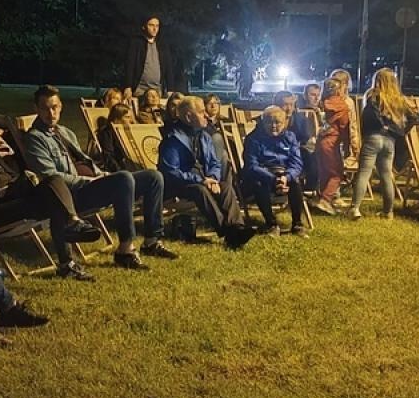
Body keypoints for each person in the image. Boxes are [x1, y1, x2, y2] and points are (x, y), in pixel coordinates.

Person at [24, 85, 176, 278]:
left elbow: (83, 160)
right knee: (123, 178)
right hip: (71, 196)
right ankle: (125, 249)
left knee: (153, 177)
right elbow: (51, 176)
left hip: (91, 181)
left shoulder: (65, 132)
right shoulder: (35, 138)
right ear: (36, 109)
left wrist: (100, 173)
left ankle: (152, 241)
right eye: (45, 108)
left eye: (54, 107)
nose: (51, 113)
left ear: (61, 106)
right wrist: (91, 180)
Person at [0, 112, 101, 243]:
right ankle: (71, 230)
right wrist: (10, 181)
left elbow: (11, 173)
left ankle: (72, 228)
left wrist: (9, 182)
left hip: (12, 198)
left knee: (54, 183)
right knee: (52, 196)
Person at [157, 98, 254, 247]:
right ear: (189, 117)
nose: (207, 115)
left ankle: (237, 226)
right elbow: (170, 172)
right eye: (202, 112)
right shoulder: (172, 140)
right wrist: (202, 180)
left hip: (204, 180)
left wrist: (213, 178)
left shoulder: (203, 135)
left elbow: (214, 162)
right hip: (179, 185)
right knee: (200, 189)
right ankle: (228, 232)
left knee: (225, 187)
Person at [350, 68, 415, 220]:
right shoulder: (399, 98)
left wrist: (381, 126)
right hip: (390, 140)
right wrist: (401, 131)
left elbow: (369, 115)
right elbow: (414, 117)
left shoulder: (373, 95)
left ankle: (355, 208)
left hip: (374, 137)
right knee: (386, 174)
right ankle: (388, 211)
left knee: (364, 172)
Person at [241, 106, 308, 235]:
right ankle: (271, 224)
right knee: (259, 184)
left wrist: (286, 178)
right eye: (269, 122)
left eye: (278, 122)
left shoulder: (290, 137)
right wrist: (273, 179)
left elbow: (297, 162)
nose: (273, 126)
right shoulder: (253, 139)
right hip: (262, 175)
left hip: (284, 175)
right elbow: (252, 165)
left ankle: (297, 224)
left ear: (284, 123)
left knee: (295, 182)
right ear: (263, 122)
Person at [312, 72, 356, 215]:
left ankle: (322, 198)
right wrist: (349, 145)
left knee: (325, 171)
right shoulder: (341, 106)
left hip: (320, 141)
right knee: (337, 173)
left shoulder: (321, 103)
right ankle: (325, 199)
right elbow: (344, 128)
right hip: (332, 142)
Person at [125, 15, 169, 98]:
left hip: (157, 90)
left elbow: (168, 67)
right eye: (151, 25)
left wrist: (170, 89)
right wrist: (128, 86)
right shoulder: (136, 43)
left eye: (157, 26)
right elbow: (130, 65)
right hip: (140, 89)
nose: (155, 29)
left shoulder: (162, 44)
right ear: (144, 26)